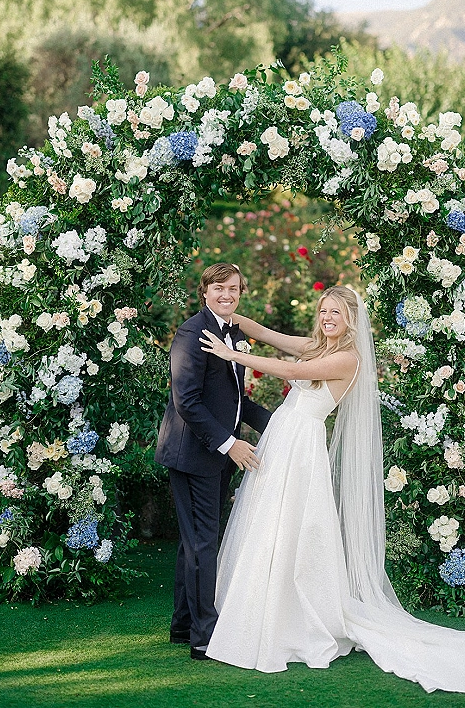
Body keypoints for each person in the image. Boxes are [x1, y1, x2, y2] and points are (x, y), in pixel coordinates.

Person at [199, 285, 465, 699]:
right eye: (323, 310)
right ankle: (256, 606)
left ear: (351, 319)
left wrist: (233, 355)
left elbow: (291, 372)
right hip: (284, 440)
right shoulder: (316, 345)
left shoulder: (348, 358)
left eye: (336, 312)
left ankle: (295, 616)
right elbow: (272, 336)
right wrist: (230, 318)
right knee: (268, 525)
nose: (328, 317)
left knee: (293, 526)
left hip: (301, 448)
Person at [155, 263, 271, 659]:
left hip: (215, 453)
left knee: (196, 541)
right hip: (193, 454)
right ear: (204, 292)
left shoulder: (233, 332)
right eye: (219, 288)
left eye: (234, 289)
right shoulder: (191, 334)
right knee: (204, 541)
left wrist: (279, 425)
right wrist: (230, 444)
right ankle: (204, 637)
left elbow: (235, 398)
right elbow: (186, 401)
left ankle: (184, 624)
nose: (227, 295)